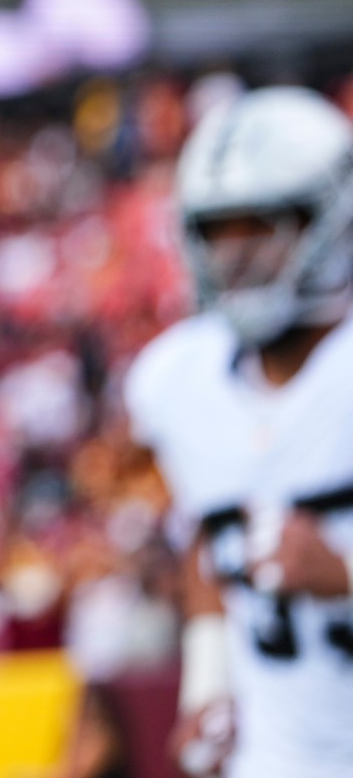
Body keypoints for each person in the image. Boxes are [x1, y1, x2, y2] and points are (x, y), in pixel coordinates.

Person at [124, 85, 353, 778]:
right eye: (217, 231)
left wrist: (344, 577)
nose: (236, 256)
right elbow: (210, 534)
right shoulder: (178, 379)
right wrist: (207, 686)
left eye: (260, 227)